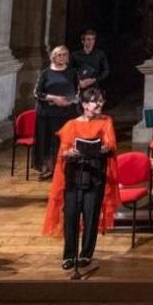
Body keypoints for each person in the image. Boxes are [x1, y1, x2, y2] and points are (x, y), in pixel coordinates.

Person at [43, 87, 118, 271]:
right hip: (74, 177)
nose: (100, 104)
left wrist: (98, 148)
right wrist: (72, 153)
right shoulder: (71, 125)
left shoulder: (106, 121)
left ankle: (86, 254)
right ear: (85, 105)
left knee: (91, 217)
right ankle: (69, 256)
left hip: (95, 176)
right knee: (71, 216)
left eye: (101, 101)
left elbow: (110, 145)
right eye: (95, 101)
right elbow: (64, 152)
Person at [33, 46, 79, 181]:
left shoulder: (72, 72)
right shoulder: (45, 73)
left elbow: (77, 92)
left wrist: (68, 101)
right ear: (53, 56)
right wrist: (54, 98)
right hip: (47, 113)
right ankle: (49, 168)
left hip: (66, 112)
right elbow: (37, 93)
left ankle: (64, 168)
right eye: (59, 55)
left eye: (64, 55)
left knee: (63, 141)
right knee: (48, 141)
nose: (62, 57)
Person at [73, 29, 110, 95]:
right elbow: (69, 70)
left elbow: (106, 70)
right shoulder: (75, 55)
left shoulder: (100, 54)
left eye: (93, 39)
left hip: (95, 87)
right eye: (88, 39)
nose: (91, 42)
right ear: (82, 41)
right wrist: (78, 82)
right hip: (78, 87)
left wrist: (95, 79)